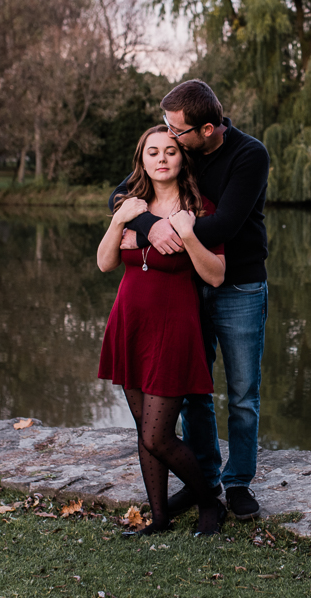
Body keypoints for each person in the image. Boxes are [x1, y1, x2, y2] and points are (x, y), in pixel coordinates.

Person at [111, 79, 269, 521]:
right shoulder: (183, 154)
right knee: (194, 392)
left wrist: (169, 229)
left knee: (241, 393)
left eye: (175, 131)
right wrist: (148, 225)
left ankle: (238, 483)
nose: (168, 137)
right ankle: (205, 478)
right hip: (186, 287)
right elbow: (119, 195)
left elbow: (225, 227)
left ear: (205, 130)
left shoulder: (248, 155)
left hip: (238, 285)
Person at [96, 125, 228, 536]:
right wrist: (120, 221)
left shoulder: (201, 207)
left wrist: (188, 235)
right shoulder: (133, 205)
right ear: (143, 160)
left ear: (180, 157)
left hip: (173, 326)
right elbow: (105, 262)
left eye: (170, 150)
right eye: (152, 152)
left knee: (157, 435)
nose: (162, 158)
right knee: (145, 431)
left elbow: (217, 275)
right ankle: (159, 518)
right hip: (130, 321)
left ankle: (210, 500)